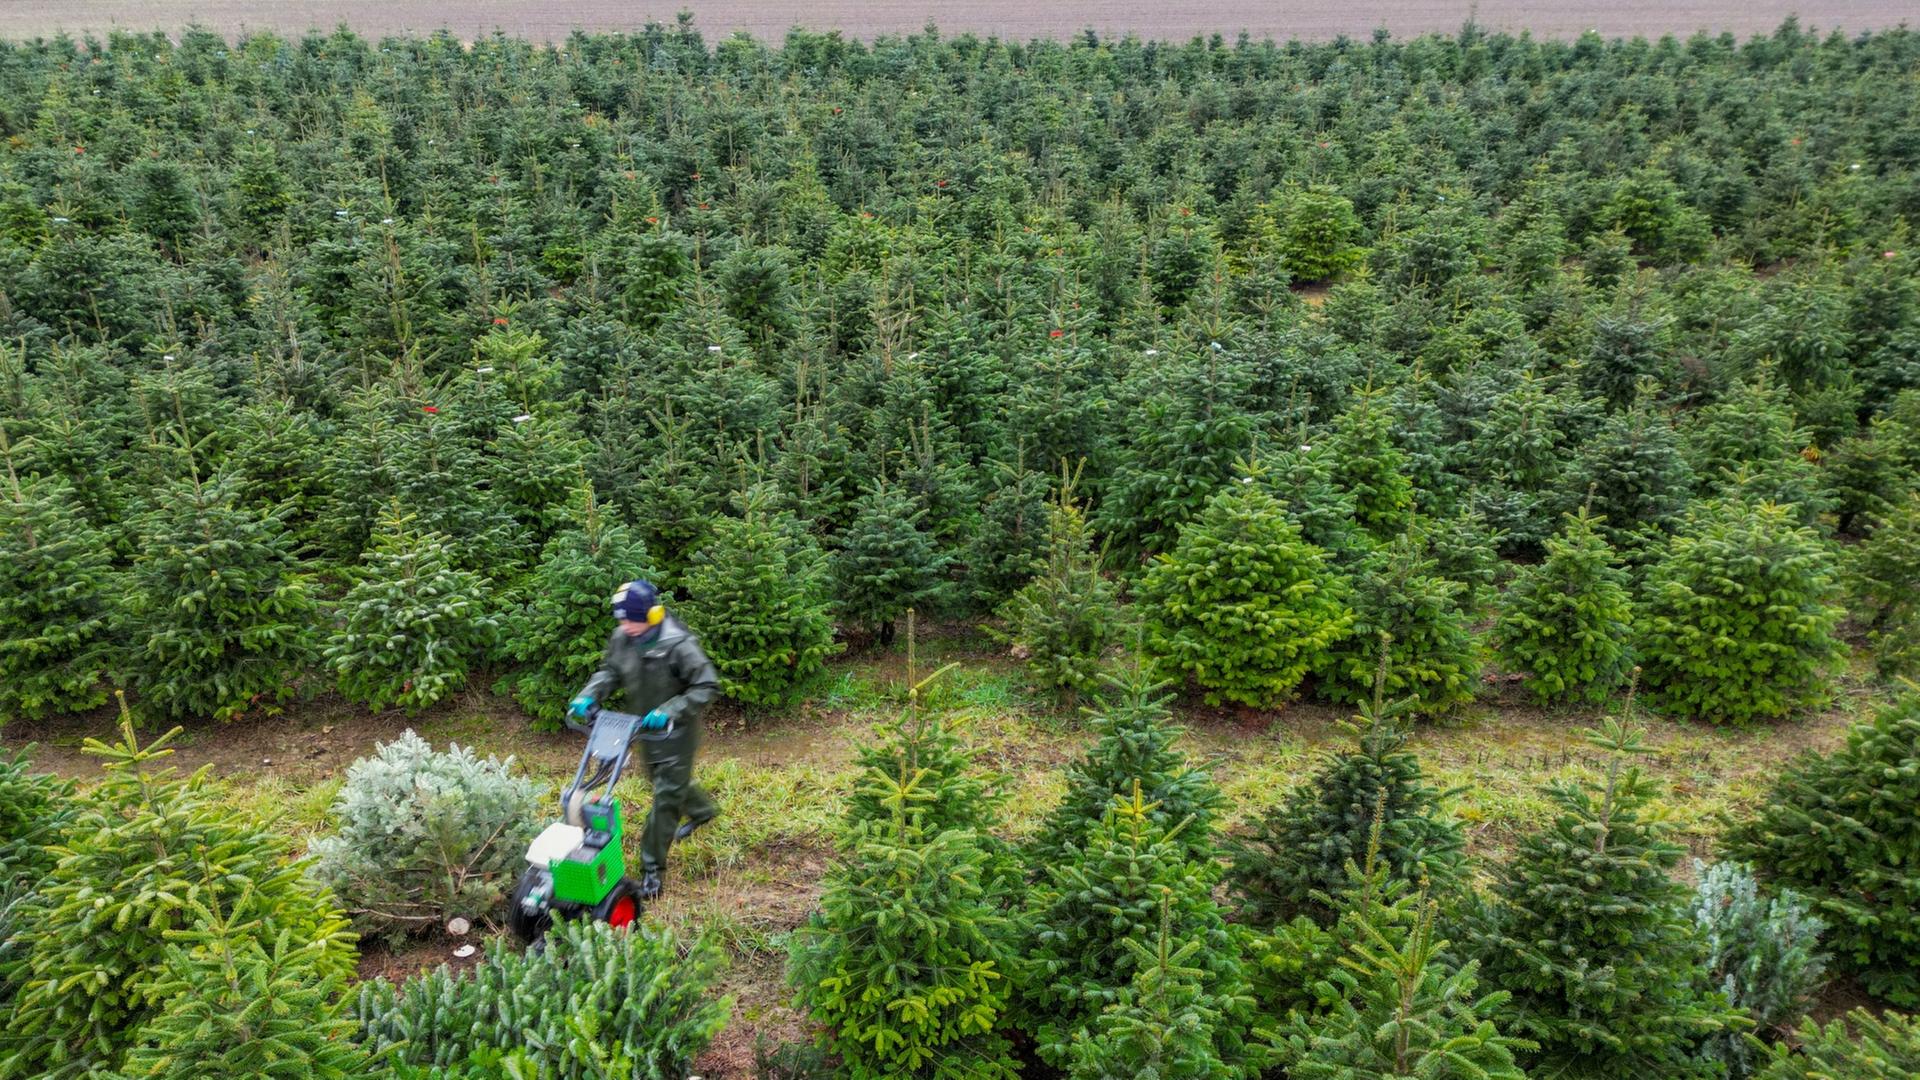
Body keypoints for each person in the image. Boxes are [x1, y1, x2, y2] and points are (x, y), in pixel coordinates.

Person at [568, 579, 719, 900]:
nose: (624, 626)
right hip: (642, 729)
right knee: (662, 782)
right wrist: (589, 694)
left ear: (651, 615)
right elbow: (610, 672)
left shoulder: (678, 645)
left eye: (630, 620)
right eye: (621, 620)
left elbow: (707, 685)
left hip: (675, 734)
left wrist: (670, 710)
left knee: (665, 800)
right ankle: (703, 810)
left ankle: (652, 870)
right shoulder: (623, 638)